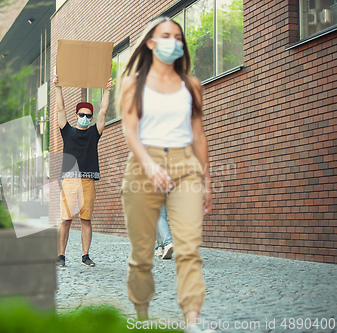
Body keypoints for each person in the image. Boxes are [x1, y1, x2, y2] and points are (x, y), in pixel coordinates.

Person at [119, 16, 213, 333]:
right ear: (150, 42)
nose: (173, 40)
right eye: (166, 35)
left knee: (188, 249)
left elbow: (199, 137)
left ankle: (192, 322)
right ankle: (142, 318)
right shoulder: (133, 82)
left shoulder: (192, 85)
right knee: (143, 252)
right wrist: (148, 164)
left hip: (186, 167)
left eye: (178, 36)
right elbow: (130, 130)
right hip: (144, 163)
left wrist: (206, 181)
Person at [54, 74, 113, 268]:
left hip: (88, 182)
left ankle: (85, 255)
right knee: (66, 220)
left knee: (86, 220)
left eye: (89, 115)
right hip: (69, 181)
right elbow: (60, 109)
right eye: (82, 114)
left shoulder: (94, 133)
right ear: (76, 115)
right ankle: (61, 256)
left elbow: (104, 111)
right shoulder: (66, 130)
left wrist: (107, 91)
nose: (85, 118)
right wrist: (58, 87)